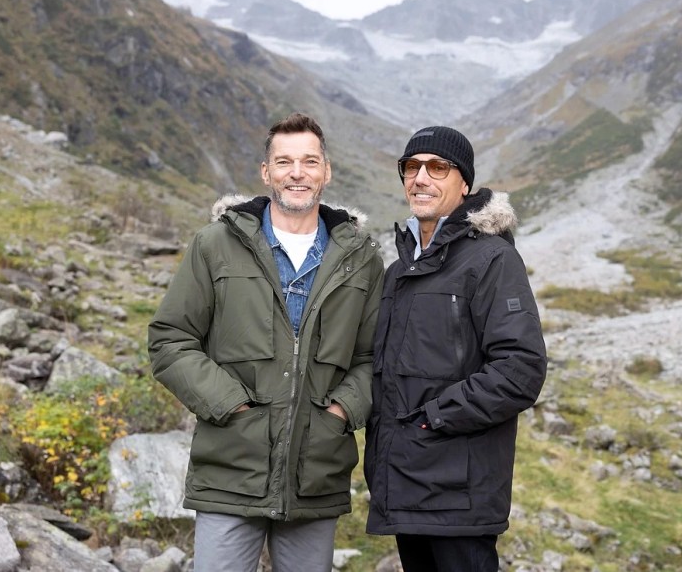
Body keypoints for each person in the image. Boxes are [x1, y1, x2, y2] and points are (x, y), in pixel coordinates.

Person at [149, 112, 384, 572]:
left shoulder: (362, 259)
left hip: (315, 476)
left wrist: (339, 413)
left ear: (326, 171)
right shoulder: (215, 245)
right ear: (266, 172)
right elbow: (170, 338)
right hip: (231, 470)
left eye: (309, 161)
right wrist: (231, 405)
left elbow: (374, 357)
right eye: (284, 161)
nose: (297, 173)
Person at [364, 125, 548, 571]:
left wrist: (433, 419)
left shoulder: (490, 259)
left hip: (458, 494)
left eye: (437, 167)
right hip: (408, 487)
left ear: (463, 182)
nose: (421, 177)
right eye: (411, 167)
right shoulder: (400, 270)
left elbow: (520, 369)